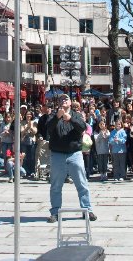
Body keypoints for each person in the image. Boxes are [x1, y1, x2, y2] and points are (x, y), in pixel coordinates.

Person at [46, 94, 96, 223]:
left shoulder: (76, 115)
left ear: (70, 102)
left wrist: (71, 119)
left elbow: (83, 127)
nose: (64, 100)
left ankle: (87, 210)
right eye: (61, 99)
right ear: (58, 103)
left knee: (82, 183)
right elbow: (48, 129)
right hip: (57, 154)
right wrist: (58, 117)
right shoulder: (53, 115)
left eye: (66, 99)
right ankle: (55, 212)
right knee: (56, 185)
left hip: (74, 154)